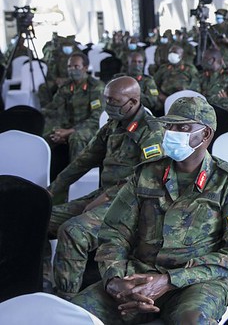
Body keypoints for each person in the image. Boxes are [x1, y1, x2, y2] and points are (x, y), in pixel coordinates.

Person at [71, 97, 228, 324]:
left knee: (193, 322)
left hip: (196, 283)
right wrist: (115, 280)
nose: (171, 132)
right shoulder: (145, 174)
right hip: (138, 276)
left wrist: (167, 281)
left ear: (205, 135)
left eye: (183, 127)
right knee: (74, 315)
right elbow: (114, 232)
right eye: (169, 126)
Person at [47, 77, 164, 299]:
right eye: (106, 99)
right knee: (42, 217)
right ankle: (41, 279)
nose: (107, 105)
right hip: (104, 196)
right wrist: (52, 189)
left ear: (133, 101)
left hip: (132, 204)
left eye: (113, 100)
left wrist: (107, 196)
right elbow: (84, 160)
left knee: (74, 231)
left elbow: (147, 178)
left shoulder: (151, 131)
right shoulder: (113, 124)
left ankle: (66, 299)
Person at [43, 52, 106, 162]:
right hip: (68, 127)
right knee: (45, 139)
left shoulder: (96, 87)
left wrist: (69, 132)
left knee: (76, 138)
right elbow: (54, 108)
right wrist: (58, 130)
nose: (72, 69)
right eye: (69, 66)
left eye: (76, 66)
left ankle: (76, 176)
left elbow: (96, 118)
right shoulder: (66, 87)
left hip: (92, 128)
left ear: (85, 68)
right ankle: (47, 176)